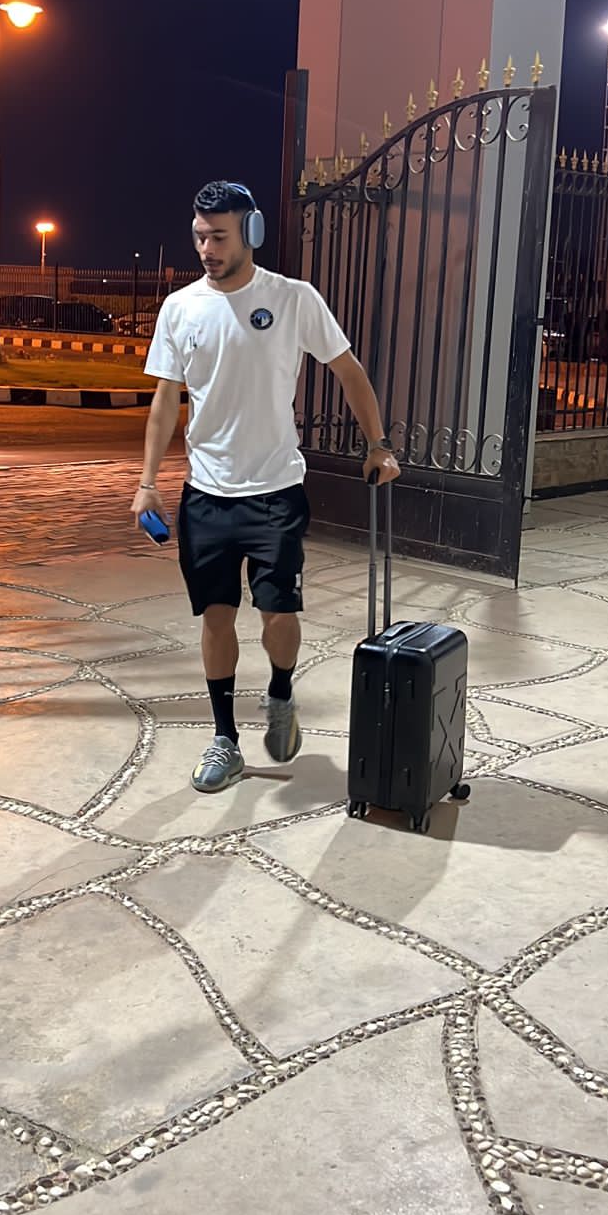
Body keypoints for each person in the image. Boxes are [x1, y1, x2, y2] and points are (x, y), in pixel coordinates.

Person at [132, 179, 400, 794]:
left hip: (275, 491)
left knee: (278, 613)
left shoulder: (292, 298)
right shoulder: (180, 308)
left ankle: (281, 691)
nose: (207, 248)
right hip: (206, 495)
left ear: (250, 232)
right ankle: (224, 738)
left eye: (219, 237)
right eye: (199, 236)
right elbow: (165, 401)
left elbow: (348, 371)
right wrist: (147, 483)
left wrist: (378, 444)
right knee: (216, 615)